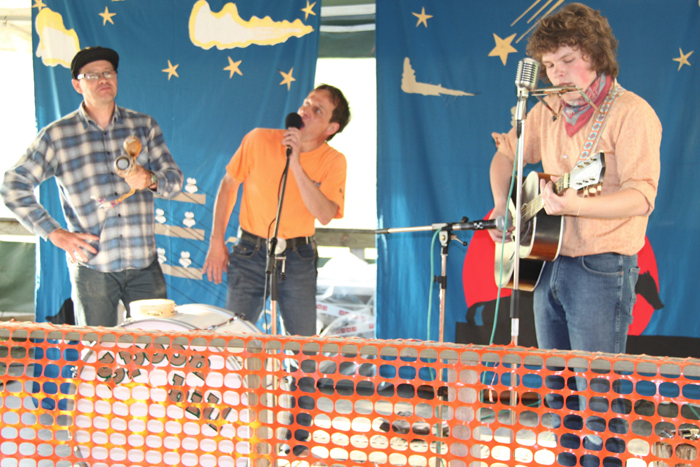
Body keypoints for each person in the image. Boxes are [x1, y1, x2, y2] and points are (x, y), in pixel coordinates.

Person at [488, 3, 661, 354]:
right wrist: (502, 205)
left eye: (568, 60)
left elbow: (642, 197)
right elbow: (504, 156)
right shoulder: (547, 109)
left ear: (595, 56)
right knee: (555, 379)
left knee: (595, 382)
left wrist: (577, 206)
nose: (558, 74)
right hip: (545, 259)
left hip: (601, 266)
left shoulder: (632, 112)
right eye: (550, 65)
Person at [1, 46, 184, 327]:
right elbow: (13, 185)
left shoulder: (143, 126)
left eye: (108, 72)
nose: (103, 79)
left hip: (144, 265)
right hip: (92, 269)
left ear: (116, 78)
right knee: (98, 350)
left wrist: (149, 179)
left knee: (155, 347)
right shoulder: (57, 136)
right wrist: (54, 233)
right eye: (92, 75)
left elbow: (175, 182)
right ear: (77, 85)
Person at [203, 84, 350, 336]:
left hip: (298, 258)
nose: (306, 110)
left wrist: (296, 164)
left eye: (317, 110)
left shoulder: (334, 161)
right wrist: (217, 241)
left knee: (303, 346)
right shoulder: (259, 139)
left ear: (331, 128)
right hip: (250, 252)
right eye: (306, 103)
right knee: (234, 340)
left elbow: (325, 214)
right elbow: (228, 185)